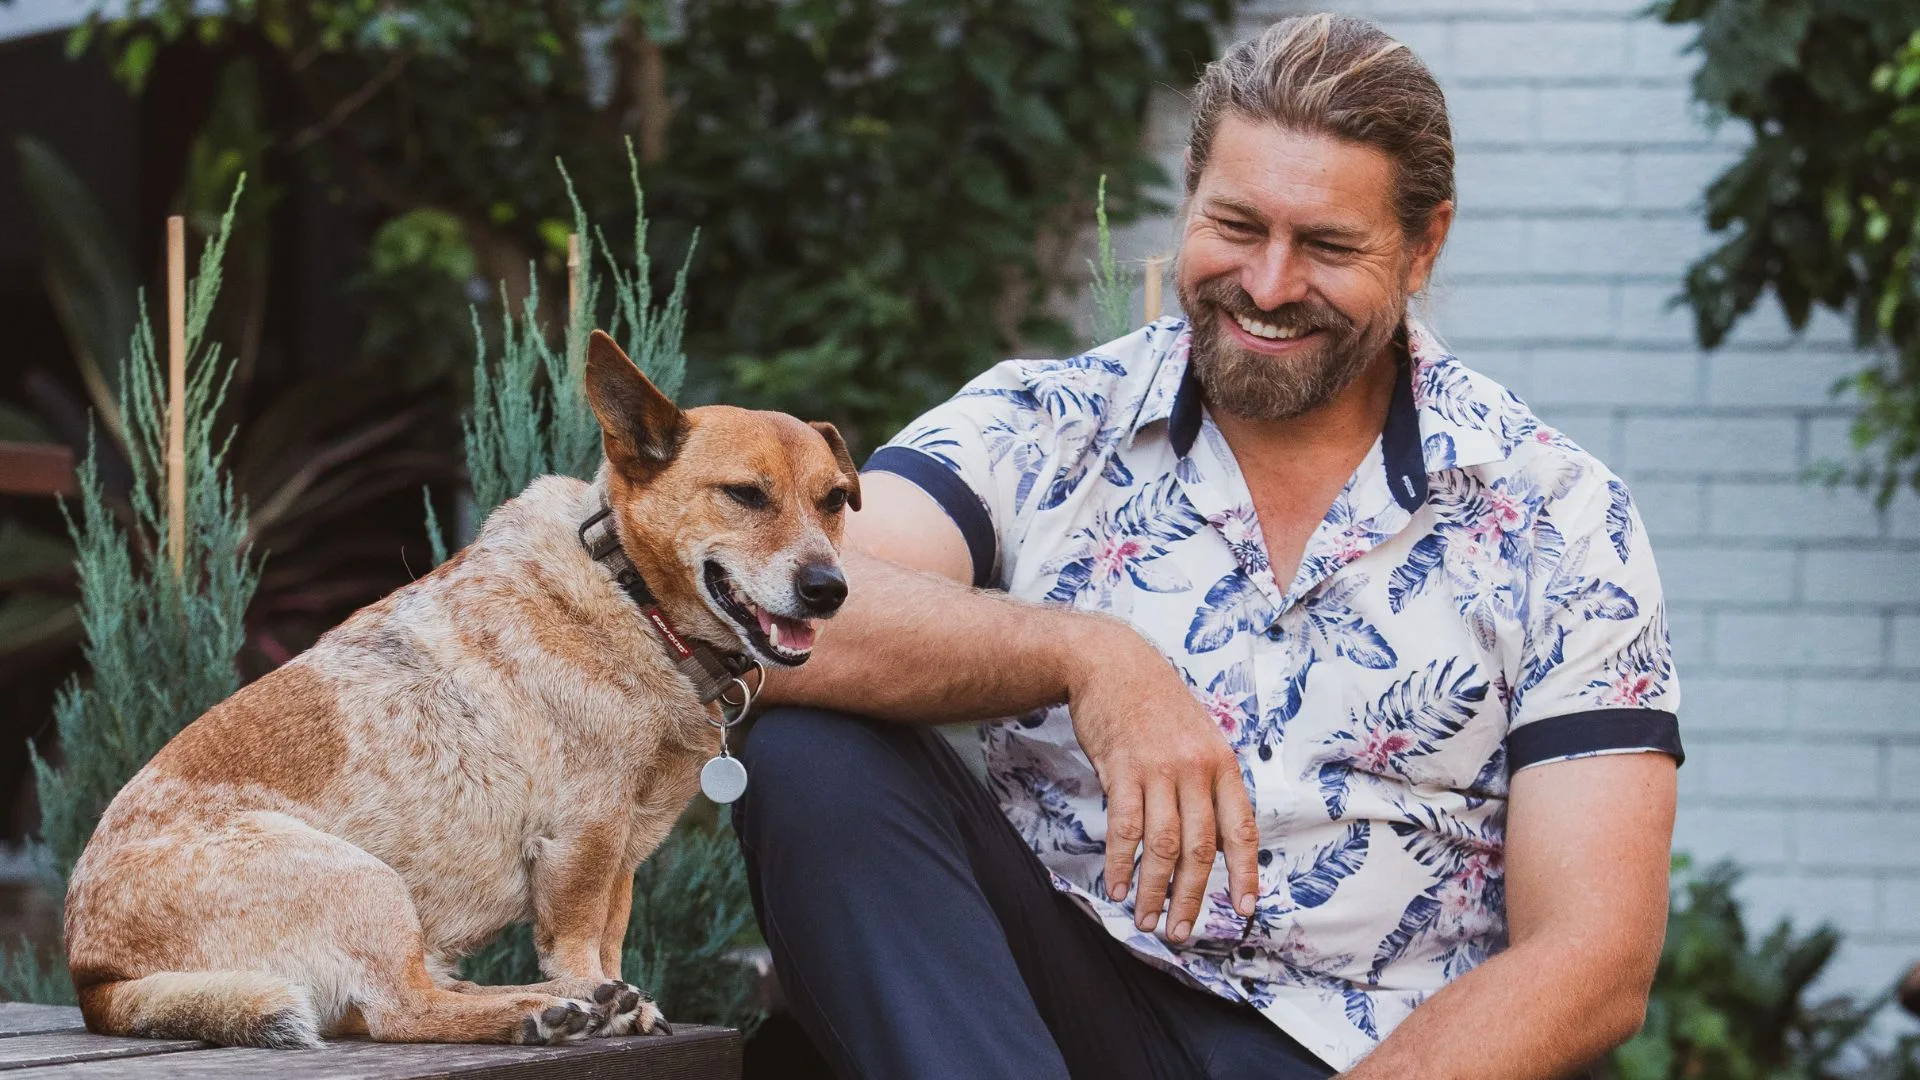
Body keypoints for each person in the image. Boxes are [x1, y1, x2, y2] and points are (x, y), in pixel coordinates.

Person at [736, 13, 1683, 1079]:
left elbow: (1594, 957)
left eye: (1327, 246)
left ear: (1424, 245)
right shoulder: (1040, 428)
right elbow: (778, 607)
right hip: (1050, 1021)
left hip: (1362, 1052)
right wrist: (1086, 657)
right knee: (808, 739)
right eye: (1236, 225)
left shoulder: (1558, 515)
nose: (1269, 286)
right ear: (1189, 195)